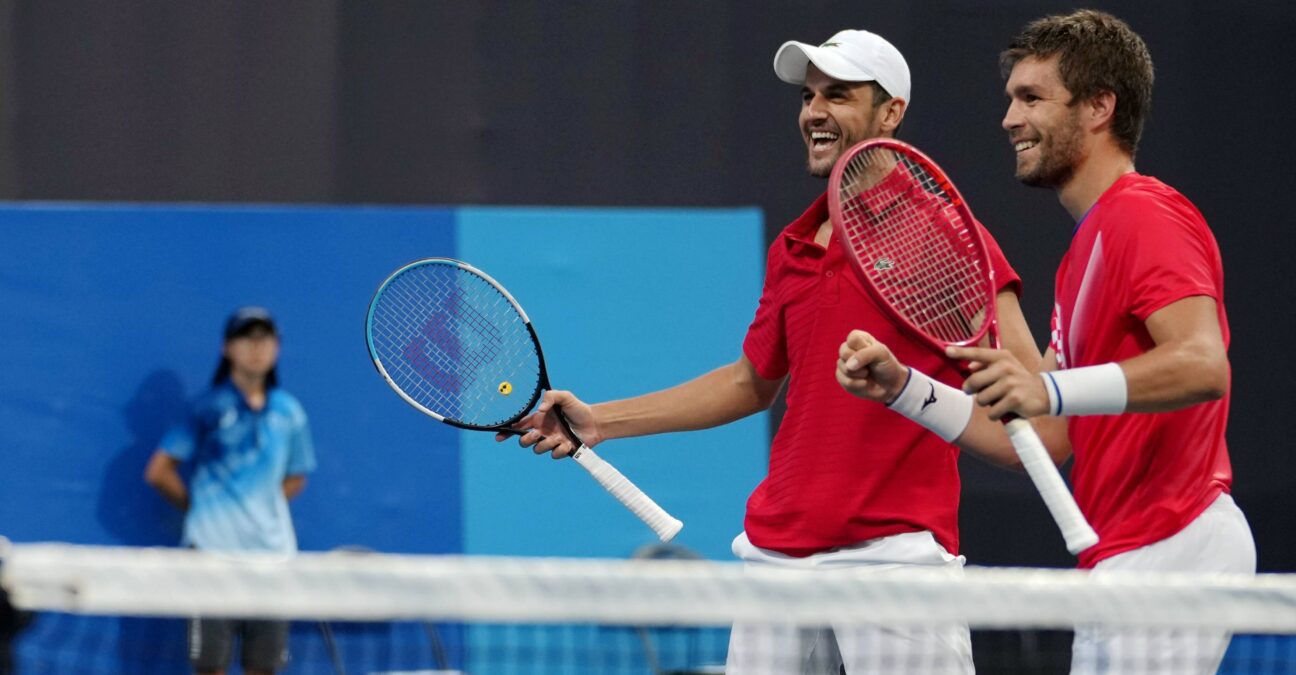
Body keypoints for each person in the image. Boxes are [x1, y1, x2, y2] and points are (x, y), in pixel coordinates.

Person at [500, 29, 1038, 674]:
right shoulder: (796, 244)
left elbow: (1028, 396)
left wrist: (918, 393)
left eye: (838, 94)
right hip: (775, 559)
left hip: (894, 562)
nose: (814, 110)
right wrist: (601, 422)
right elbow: (749, 383)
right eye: (809, 95)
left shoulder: (945, 233)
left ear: (890, 112)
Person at [836, 10, 1254, 674]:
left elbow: (1205, 364)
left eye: (1031, 97)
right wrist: (903, 389)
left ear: (1098, 108)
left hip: (1173, 540)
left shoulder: (1144, 213)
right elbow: (1036, 438)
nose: (1008, 118)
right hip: (1122, 554)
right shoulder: (1084, 250)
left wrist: (1047, 385)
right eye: (1010, 98)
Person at [144, 307, 317, 675]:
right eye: (247, 338)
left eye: (266, 339)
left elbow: (295, 478)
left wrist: (254, 507)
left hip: (273, 560)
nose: (257, 347)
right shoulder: (205, 408)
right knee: (211, 669)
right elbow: (159, 472)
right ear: (227, 348)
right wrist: (203, 512)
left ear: (277, 348)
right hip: (211, 558)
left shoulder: (290, 412)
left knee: (263, 668)